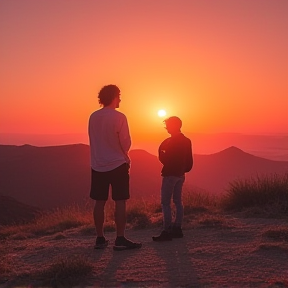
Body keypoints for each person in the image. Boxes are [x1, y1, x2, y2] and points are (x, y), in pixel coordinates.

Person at [88, 84, 142, 251]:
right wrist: (125, 156)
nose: (120, 99)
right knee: (120, 201)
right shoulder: (119, 117)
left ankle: (100, 238)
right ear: (113, 96)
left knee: (99, 202)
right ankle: (120, 238)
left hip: (97, 165)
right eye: (119, 95)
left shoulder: (93, 116)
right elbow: (125, 142)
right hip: (117, 164)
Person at [152, 116, 193, 241]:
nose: (167, 128)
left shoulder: (171, 142)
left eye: (168, 126)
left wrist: (161, 154)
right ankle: (177, 228)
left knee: (165, 203)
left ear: (173, 126)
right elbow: (189, 160)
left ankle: (167, 231)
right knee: (178, 201)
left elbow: (165, 159)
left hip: (170, 174)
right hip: (181, 175)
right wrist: (184, 170)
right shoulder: (187, 140)